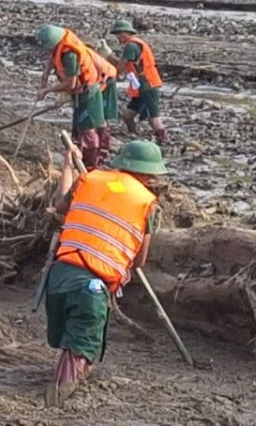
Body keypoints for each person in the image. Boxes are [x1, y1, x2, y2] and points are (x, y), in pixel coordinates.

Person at [43, 139, 167, 406]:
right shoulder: (148, 204)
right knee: (83, 341)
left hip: (58, 276)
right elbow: (139, 260)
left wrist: (67, 166)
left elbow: (59, 206)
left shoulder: (89, 179)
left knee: (64, 335)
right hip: (92, 287)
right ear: (149, 173)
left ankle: (61, 381)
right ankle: (58, 398)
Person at [35, 25, 112, 169]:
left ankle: (91, 164)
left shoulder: (70, 55)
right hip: (80, 91)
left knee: (88, 129)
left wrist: (46, 90)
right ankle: (85, 156)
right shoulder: (60, 44)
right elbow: (53, 58)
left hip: (89, 92)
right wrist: (46, 72)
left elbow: (70, 84)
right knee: (80, 126)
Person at [109, 20, 169, 144]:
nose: (118, 37)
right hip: (140, 85)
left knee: (154, 118)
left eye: (120, 33)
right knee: (127, 115)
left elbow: (120, 67)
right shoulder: (132, 45)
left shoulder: (131, 46)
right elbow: (123, 65)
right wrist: (108, 55)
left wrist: (110, 74)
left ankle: (164, 139)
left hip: (148, 85)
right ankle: (134, 135)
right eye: (117, 34)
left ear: (127, 33)